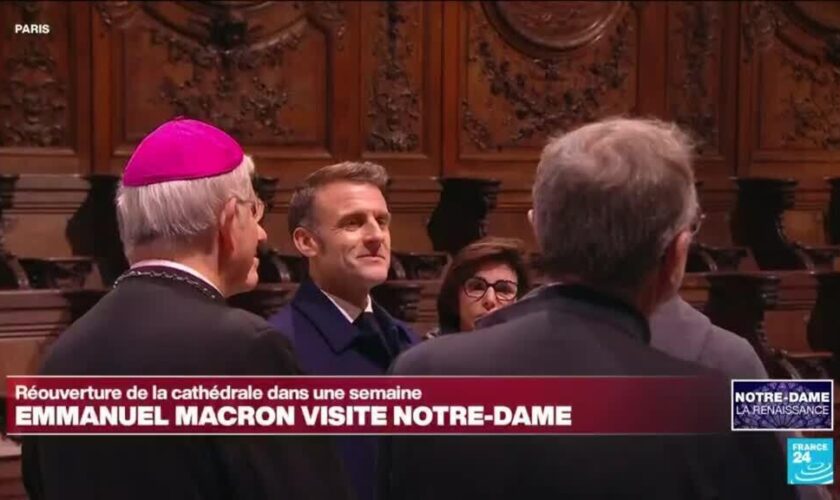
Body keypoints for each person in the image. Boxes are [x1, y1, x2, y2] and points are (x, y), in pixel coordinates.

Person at [379, 117, 793, 499]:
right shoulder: (724, 396)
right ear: (676, 254)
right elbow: (802, 483)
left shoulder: (422, 374)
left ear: (538, 229)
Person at [22, 118, 351, 500]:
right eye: (255, 211)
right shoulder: (245, 350)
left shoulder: (61, 357)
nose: (261, 234)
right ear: (229, 220)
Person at [268, 161, 417, 500]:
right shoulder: (277, 349)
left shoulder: (407, 341)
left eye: (382, 221)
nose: (376, 236)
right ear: (307, 242)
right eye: (353, 223)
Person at [427, 237, 530, 338]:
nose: (490, 300)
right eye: (477, 287)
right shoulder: (429, 353)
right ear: (454, 298)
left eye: (503, 290)